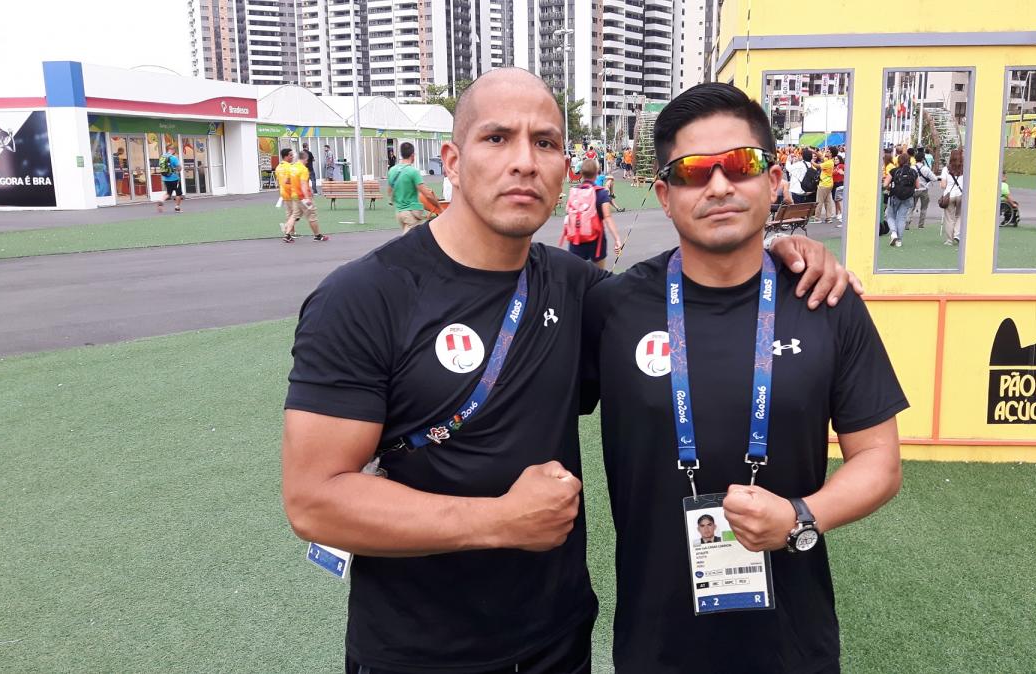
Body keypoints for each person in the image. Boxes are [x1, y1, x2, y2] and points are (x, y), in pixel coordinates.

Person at [281, 67, 854, 674]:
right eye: (497, 138)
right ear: (451, 159)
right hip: (420, 652)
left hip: (557, 642)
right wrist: (498, 521)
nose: (525, 161)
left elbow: (702, 296)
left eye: (546, 142)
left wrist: (782, 254)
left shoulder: (581, 291)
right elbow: (314, 501)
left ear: (563, 166)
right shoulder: (363, 297)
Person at [580, 81, 906, 674]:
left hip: (793, 646)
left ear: (774, 180)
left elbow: (880, 462)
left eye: (741, 164)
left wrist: (802, 517)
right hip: (656, 647)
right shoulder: (613, 308)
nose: (720, 185)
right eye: (694, 171)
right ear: (664, 194)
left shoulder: (824, 300)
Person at [564, 159, 622, 268]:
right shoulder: (601, 193)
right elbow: (607, 217)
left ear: (581, 174)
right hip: (596, 242)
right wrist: (617, 239)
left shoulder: (574, 191)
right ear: (597, 173)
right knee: (598, 275)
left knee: (578, 276)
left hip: (576, 240)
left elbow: (569, 212)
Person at [387, 141, 437, 231]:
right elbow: (427, 194)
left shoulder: (392, 170)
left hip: (399, 212)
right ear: (412, 155)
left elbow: (389, 190)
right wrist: (438, 206)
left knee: (412, 240)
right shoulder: (413, 172)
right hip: (410, 213)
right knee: (410, 242)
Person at [287, 150, 329, 242]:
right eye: (307, 160)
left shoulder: (292, 168)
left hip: (294, 196)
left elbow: (287, 181)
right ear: (305, 158)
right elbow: (303, 185)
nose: (307, 162)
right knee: (312, 216)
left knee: (294, 215)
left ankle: (287, 235)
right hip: (303, 197)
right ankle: (317, 236)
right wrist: (307, 198)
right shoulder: (303, 169)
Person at [883, 152, 918, 247]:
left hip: (894, 196)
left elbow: (885, 184)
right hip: (908, 197)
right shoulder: (913, 172)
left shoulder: (894, 171)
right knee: (901, 218)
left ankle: (893, 233)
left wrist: (889, 188)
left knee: (890, 215)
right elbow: (917, 186)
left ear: (898, 161)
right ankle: (899, 240)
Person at [938, 148, 964, 245]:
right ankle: (957, 234)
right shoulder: (964, 169)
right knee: (959, 216)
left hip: (949, 195)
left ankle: (949, 239)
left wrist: (941, 184)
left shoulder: (946, 169)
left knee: (949, 218)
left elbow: (943, 185)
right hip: (961, 194)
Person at [911, 147, 938, 229]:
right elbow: (934, 178)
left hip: (914, 190)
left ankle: (907, 223)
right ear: (923, 159)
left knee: (911, 207)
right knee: (924, 208)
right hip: (924, 190)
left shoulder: (912, 168)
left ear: (915, 159)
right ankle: (921, 225)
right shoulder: (926, 169)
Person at [156, 143, 183, 213]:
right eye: (174, 149)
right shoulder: (173, 158)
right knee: (178, 193)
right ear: (172, 149)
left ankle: (161, 200)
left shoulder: (162, 157)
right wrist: (177, 169)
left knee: (168, 193)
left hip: (166, 178)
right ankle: (177, 207)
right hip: (174, 178)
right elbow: (179, 168)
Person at [814, 147, 836, 225]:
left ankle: (817, 218)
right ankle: (828, 217)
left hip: (824, 183)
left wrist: (810, 161)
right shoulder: (829, 161)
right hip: (829, 183)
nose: (826, 152)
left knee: (819, 201)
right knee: (828, 201)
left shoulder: (829, 163)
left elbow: (817, 166)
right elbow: (821, 156)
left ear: (831, 154)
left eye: (828, 151)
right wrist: (814, 151)